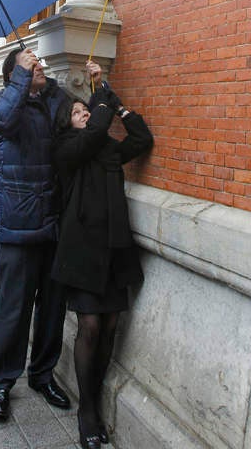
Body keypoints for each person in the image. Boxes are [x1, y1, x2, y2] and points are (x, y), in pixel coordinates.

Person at [51, 62, 154, 449]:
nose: (85, 116)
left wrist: (120, 107)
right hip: (82, 252)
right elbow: (94, 131)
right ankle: (87, 410)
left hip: (114, 247)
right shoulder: (65, 150)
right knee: (90, 326)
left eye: (85, 111)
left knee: (110, 325)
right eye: (77, 113)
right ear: (68, 123)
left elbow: (141, 139)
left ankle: (92, 390)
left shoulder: (106, 147)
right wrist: (99, 97)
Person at [0, 47, 71, 422]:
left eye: (37, 60)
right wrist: (21, 76)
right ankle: (2, 382)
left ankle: (42, 374)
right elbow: (2, 122)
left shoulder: (54, 100)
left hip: (54, 222)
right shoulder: (1, 101)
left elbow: (79, 122)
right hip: (18, 226)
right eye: (28, 61)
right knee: (13, 310)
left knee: (52, 308)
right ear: (12, 74)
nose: (38, 64)